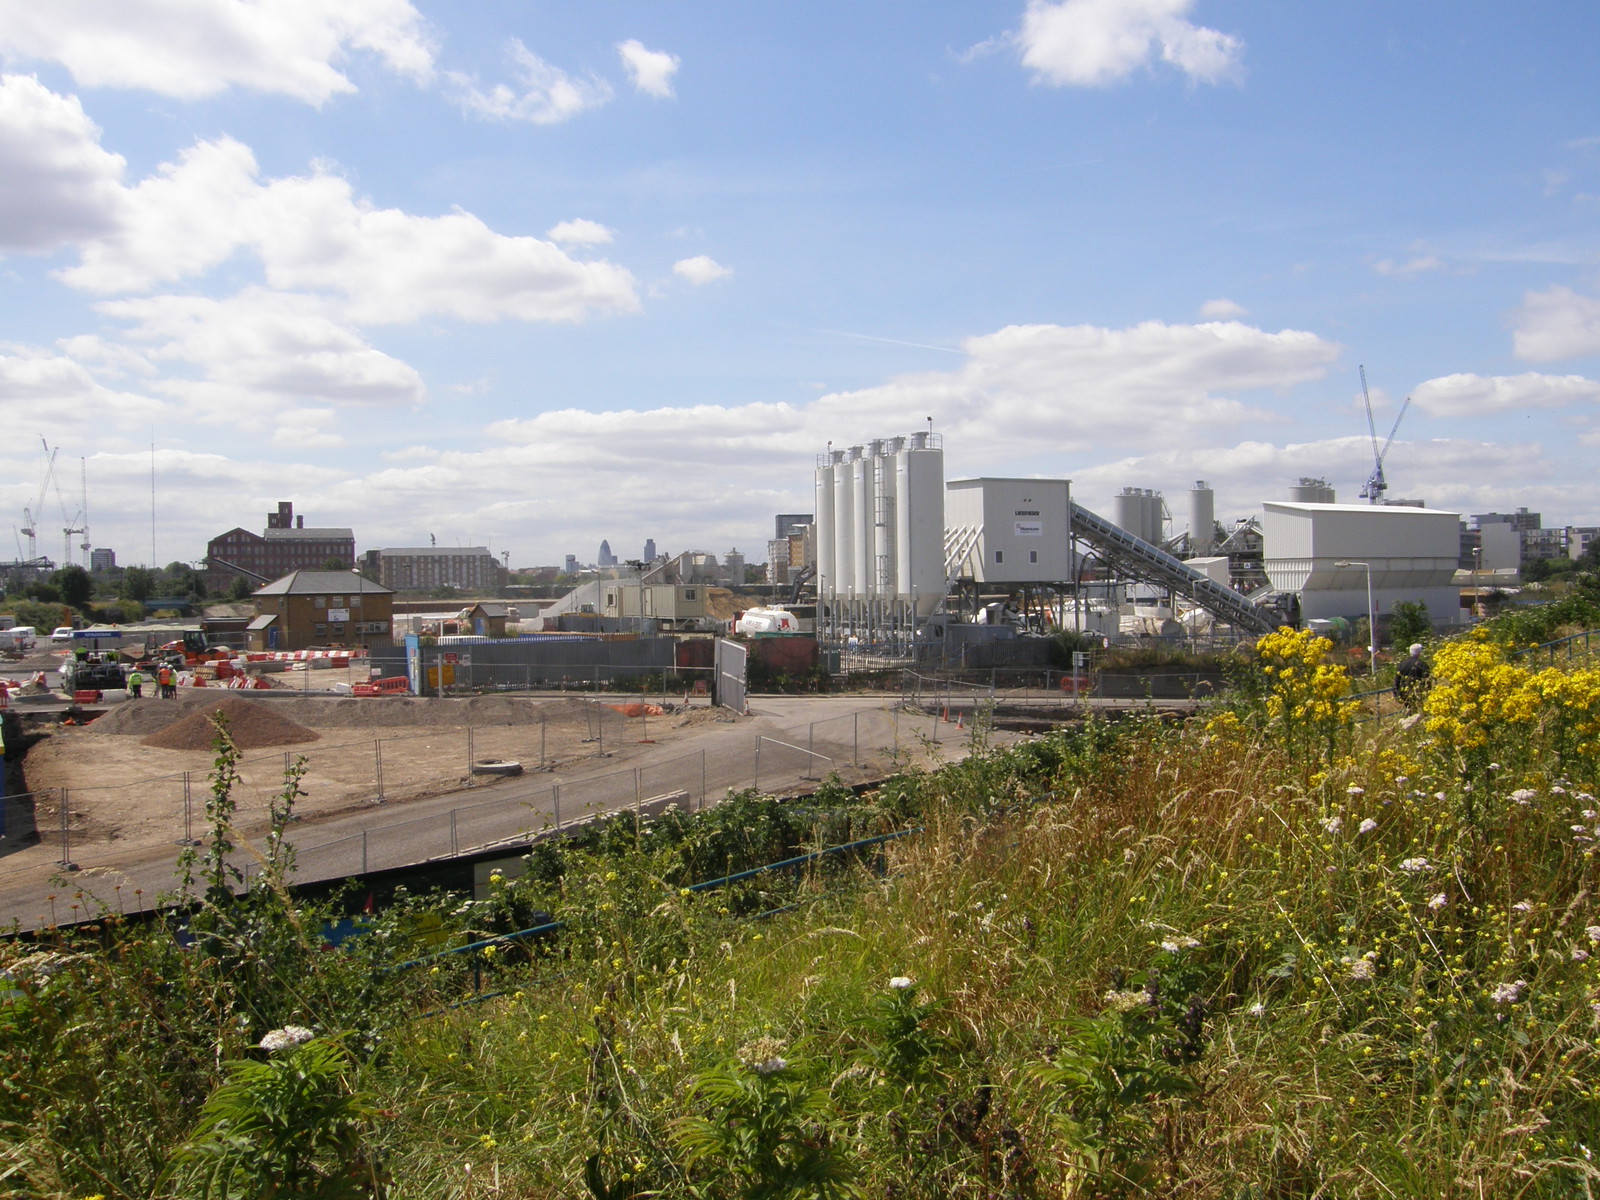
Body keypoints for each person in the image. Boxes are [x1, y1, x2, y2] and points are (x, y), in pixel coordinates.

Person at [1394, 642, 1431, 712]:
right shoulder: (1422, 664)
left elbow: (1396, 681)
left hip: (1404, 693)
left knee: (1410, 709)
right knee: (1419, 711)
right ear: (1419, 653)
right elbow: (1427, 680)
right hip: (1418, 693)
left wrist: (1396, 694)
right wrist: (1427, 693)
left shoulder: (1401, 664)